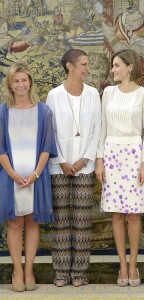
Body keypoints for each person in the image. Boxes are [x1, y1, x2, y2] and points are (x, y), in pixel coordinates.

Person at [96, 49, 144, 287]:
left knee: (133, 214)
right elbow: (102, 128)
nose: (113, 70)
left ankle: (133, 264)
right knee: (116, 214)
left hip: (134, 155)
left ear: (130, 67)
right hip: (111, 154)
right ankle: (122, 265)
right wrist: (100, 160)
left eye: (117, 65)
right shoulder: (108, 93)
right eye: (113, 66)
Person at [46, 49, 101, 287]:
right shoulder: (54, 95)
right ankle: (61, 272)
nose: (87, 68)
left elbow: (97, 129)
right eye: (84, 64)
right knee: (61, 221)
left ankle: (79, 272)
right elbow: (50, 132)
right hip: (59, 166)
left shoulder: (92, 94)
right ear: (70, 66)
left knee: (81, 221)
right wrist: (61, 161)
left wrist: (84, 160)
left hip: (84, 167)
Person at [0, 61, 57, 292]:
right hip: (10, 176)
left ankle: (30, 269)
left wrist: (35, 174)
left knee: (33, 222)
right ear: (10, 85)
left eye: (24, 80)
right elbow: (1, 148)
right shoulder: (3, 111)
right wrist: (13, 174)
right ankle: (17, 269)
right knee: (14, 223)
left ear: (30, 82)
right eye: (16, 81)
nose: (21, 84)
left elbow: (46, 146)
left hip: (36, 176)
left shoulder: (43, 111)